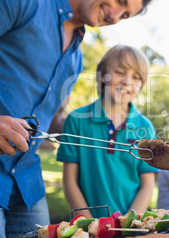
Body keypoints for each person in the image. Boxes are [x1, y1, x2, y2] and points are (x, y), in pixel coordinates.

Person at [0, 0, 152, 236]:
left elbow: (55, 120)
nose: (115, 16)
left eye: (124, 14)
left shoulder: (75, 58)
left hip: (27, 187)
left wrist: (93, 124)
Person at [57, 45, 158, 218]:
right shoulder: (76, 119)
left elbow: (147, 185)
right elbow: (69, 181)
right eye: (120, 72)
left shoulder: (145, 127)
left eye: (136, 77)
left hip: (128, 226)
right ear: (103, 75)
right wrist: (89, 225)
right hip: (86, 226)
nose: (128, 81)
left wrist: (127, 224)